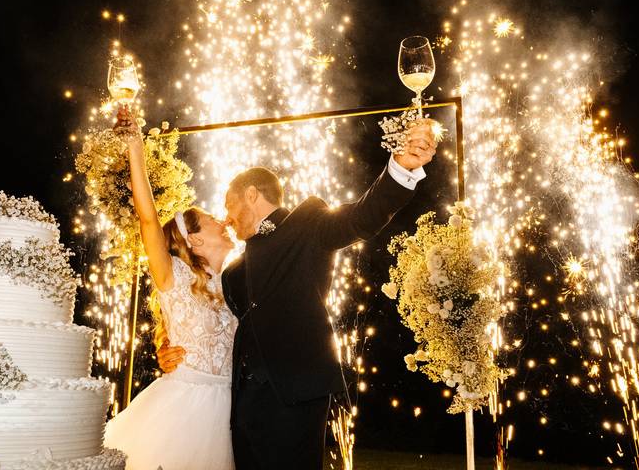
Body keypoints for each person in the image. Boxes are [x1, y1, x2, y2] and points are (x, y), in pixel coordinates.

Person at [157, 118, 439, 469]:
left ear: (251, 195)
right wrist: (171, 346)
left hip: (294, 394)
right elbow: (218, 325)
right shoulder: (231, 272)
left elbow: (361, 217)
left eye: (229, 205)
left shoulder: (308, 222)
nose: (226, 219)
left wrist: (402, 170)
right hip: (241, 406)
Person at [103, 105, 237, 470]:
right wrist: (135, 147)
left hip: (233, 406)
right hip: (186, 408)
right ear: (192, 240)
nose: (223, 223)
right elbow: (148, 218)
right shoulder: (173, 275)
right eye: (211, 221)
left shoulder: (238, 280)